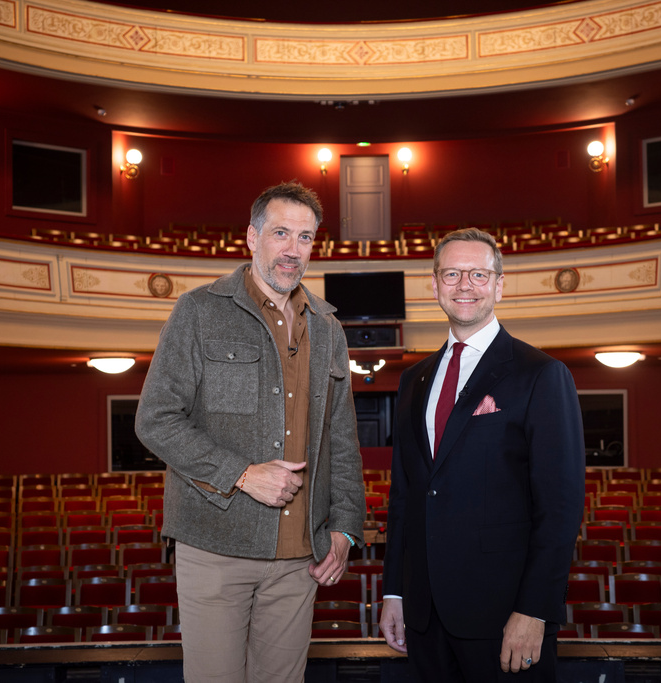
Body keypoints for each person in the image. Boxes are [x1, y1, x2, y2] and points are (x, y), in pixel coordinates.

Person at [135, 181, 366, 683]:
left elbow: (342, 439)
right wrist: (242, 474)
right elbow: (155, 419)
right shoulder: (198, 311)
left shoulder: (328, 326)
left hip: (300, 558)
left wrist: (346, 528)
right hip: (214, 547)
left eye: (305, 237)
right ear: (252, 237)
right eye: (281, 233)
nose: (293, 249)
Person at [379, 228, 585, 682]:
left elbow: (560, 506)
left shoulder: (541, 374)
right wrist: (394, 593)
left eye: (478, 274)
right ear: (435, 285)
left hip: (505, 615)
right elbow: (405, 497)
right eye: (452, 274)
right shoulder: (414, 379)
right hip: (424, 616)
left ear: (499, 284)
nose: (464, 285)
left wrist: (535, 609)